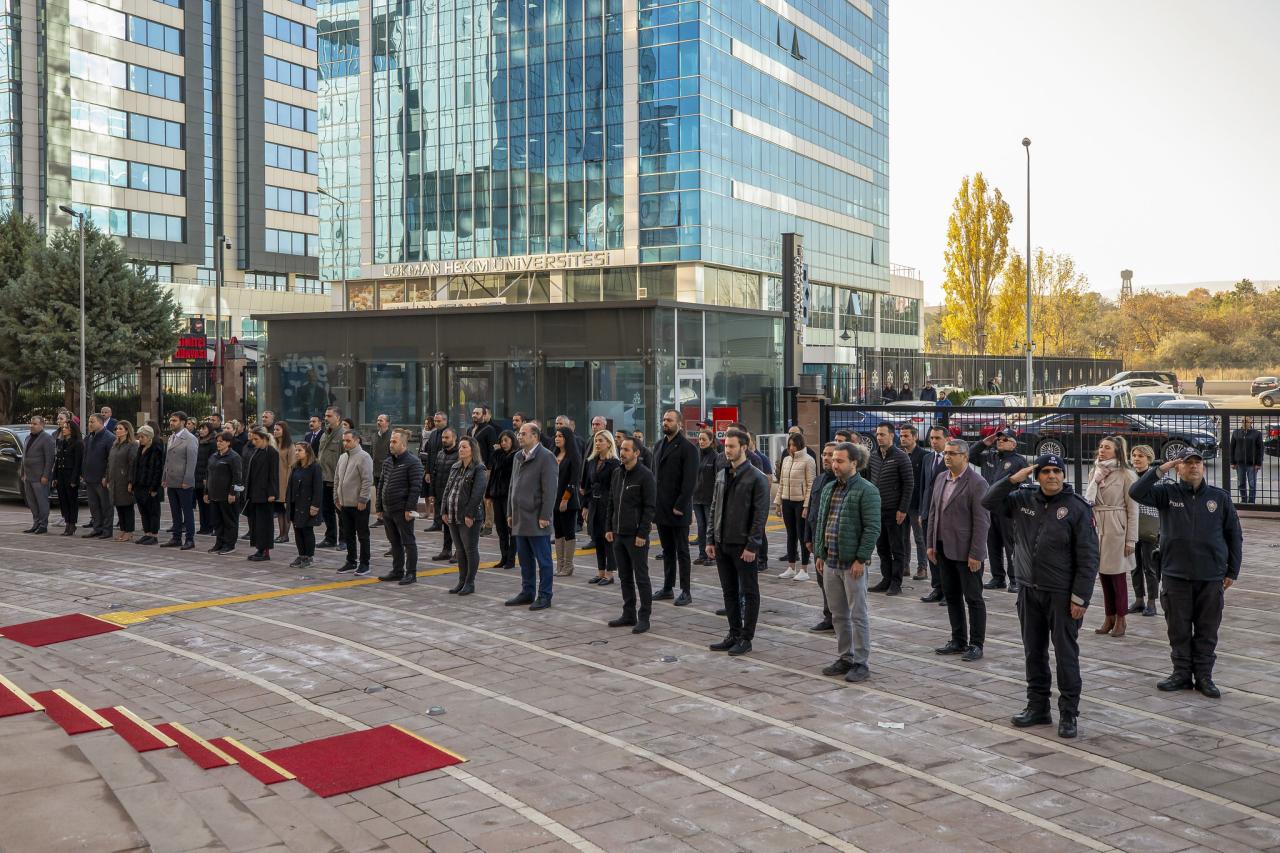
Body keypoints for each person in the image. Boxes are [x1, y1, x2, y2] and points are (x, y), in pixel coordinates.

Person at [983, 453, 1099, 739]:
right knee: (1033, 652)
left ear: (1063, 474)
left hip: (1062, 595)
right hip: (1028, 589)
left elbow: (1088, 557)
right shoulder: (1023, 500)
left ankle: (1069, 713)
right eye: (1045, 471)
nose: (1051, 476)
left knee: (1065, 655)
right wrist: (1013, 479)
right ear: (1036, 475)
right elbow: (988, 501)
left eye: (1056, 471)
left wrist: (1080, 597)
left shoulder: (1077, 508)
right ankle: (1038, 707)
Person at [1131, 448, 1242, 699]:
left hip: (1210, 576)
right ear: (1178, 468)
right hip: (1175, 575)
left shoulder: (1219, 498)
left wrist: (1232, 571)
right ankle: (1181, 673)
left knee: (1207, 629)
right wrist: (1161, 469)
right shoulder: (1166, 493)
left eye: (1197, 463)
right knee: (1178, 629)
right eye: (1187, 463)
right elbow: (1136, 492)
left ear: (1203, 467)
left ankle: (1204, 676)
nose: (1193, 467)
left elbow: (1234, 536)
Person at [812, 442, 881, 683]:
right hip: (831, 562)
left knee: (858, 614)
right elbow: (822, 522)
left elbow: (872, 528)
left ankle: (861, 662)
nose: (834, 464)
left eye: (840, 461)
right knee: (838, 614)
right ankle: (845, 657)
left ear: (854, 463)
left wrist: (861, 558)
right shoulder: (830, 488)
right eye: (833, 460)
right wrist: (820, 553)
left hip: (852, 564)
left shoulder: (867, 490)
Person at [706, 429, 770, 657]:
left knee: (750, 592)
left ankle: (746, 637)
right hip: (722, 542)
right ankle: (733, 633)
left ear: (744, 447)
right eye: (725, 446)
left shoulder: (756, 477)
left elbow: (759, 515)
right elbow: (714, 507)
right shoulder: (723, 473)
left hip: (744, 545)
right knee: (729, 591)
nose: (728, 450)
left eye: (732, 446)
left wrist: (753, 545)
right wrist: (710, 539)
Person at [927, 440, 991, 662]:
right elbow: (934, 512)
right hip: (943, 548)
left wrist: (976, 554)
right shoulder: (940, 478)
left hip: (966, 552)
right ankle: (958, 639)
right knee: (952, 596)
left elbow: (982, 522)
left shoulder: (977, 483)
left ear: (965, 457)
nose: (947, 457)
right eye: (946, 453)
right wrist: (931, 544)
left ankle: (976, 644)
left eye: (953, 453)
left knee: (973, 598)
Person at [1086, 436, 1139, 639]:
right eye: (1100, 447)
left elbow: (1133, 509)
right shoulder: (1095, 472)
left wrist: (1130, 539)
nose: (1102, 450)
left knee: (1117, 576)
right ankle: (1108, 616)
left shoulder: (1127, 475)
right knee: (1103, 575)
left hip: (1117, 527)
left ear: (1117, 451)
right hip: (1098, 526)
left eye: (1107, 448)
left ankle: (1121, 618)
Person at [605, 436, 657, 633]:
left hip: (636, 535)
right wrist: (609, 528)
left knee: (641, 577)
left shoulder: (645, 475)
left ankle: (644, 617)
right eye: (622, 449)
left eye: (627, 449)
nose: (623, 452)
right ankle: (628, 613)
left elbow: (649, 507)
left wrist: (643, 532)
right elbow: (611, 501)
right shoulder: (617, 473)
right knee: (625, 576)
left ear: (636, 453)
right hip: (618, 533)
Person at [505, 422, 559, 610]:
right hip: (520, 518)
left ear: (535, 436)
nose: (519, 436)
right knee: (525, 559)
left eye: (523, 433)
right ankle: (527, 592)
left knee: (543, 560)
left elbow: (550, 490)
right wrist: (510, 512)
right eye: (519, 434)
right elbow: (513, 485)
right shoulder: (518, 457)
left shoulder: (546, 457)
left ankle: (545, 595)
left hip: (537, 518)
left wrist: (545, 515)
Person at [970, 428, 1028, 592]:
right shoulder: (990, 456)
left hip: (1007, 509)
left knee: (1011, 545)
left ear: (1013, 443)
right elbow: (969, 455)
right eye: (998, 440)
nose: (999, 442)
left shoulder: (1018, 461)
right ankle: (998, 577)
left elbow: (1024, 485)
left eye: (1004, 440)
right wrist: (984, 443)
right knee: (992, 543)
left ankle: (1015, 579)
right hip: (989, 508)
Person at [652, 411, 699, 605]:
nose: (665, 423)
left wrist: (680, 505)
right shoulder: (658, 445)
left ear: (679, 424)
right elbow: (654, 476)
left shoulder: (688, 448)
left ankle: (686, 591)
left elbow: (690, 481)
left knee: (682, 551)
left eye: (669, 420)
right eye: (663, 420)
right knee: (667, 550)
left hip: (678, 509)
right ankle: (667, 587)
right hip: (661, 507)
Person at [867, 423, 913, 595]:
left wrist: (903, 509)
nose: (879, 437)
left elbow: (909, 484)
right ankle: (886, 579)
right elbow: (868, 480)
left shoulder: (901, 457)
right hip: (876, 511)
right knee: (882, 547)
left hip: (895, 511)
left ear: (891, 436)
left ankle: (896, 583)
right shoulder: (873, 456)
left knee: (897, 548)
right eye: (877, 434)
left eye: (883, 434)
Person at [377, 428, 425, 585]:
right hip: (388, 509)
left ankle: (411, 573)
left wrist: (409, 509)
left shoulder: (413, 462)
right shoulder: (388, 461)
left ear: (403, 443)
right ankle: (397, 571)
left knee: (408, 542)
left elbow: (416, 487)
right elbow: (381, 484)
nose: (391, 444)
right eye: (391, 441)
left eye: (394, 441)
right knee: (394, 542)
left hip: (402, 510)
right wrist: (379, 507)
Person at [442, 435, 489, 595]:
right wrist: (444, 511)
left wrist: (469, 514)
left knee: (470, 549)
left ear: (472, 450)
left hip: (470, 517)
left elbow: (477, 494)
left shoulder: (478, 468)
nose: (461, 450)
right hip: (453, 515)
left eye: (464, 447)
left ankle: (470, 582)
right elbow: (447, 490)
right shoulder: (456, 466)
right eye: (460, 447)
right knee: (460, 550)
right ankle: (461, 581)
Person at [804, 442, 837, 632]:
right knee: (821, 580)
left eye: (830, 455)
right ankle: (829, 616)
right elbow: (812, 510)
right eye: (824, 454)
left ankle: (838, 617)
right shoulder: (818, 480)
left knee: (834, 582)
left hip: (832, 541)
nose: (826, 458)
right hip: (817, 539)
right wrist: (808, 537)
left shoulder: (841, 483)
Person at [582, 430, 621, 585]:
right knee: (597, 538)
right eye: (596, 440)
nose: (597, 443)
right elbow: (587, 485)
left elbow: (615, 488)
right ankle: (600, 572)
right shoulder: (592, 461)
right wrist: (585, 505)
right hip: (594, 504)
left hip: (607, 505)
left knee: (607, 539)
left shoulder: (614, 464)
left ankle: (610, 574)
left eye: (601, 441)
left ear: (609, 443)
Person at [775, 432, 816, 581]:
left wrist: (806, 506)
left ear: (800, 445)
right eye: (789, 445)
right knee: (790, 535)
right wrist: (778, 502)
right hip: (787, 500)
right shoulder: (786, 460)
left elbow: (811, 484)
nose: (791, 448)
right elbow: (782, 482)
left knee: (802, 535)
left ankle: (804, 569)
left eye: (794, 445)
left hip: (800, 502)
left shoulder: (808, 460)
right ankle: (791, 567)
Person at [1127, 445, 1162, 618]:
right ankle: (1139, 599)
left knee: (1150, 566)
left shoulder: (1156, 478)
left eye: (1141, 456)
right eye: (1134, 455)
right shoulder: (1128, 476)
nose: (1136, 459)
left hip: (1149, 526)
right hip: (1131, 526)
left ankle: (1152, 602)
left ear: (1149, 459)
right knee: (1134, 566)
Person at [334, 428, 374, 575]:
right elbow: (337, 479)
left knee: (363, 535)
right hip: (344, 503)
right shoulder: (342, 457)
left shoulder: (364, 457)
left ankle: (365, 563)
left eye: (348, 440)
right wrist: (336, 497)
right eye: (344, 440)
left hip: (359, 504)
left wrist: (363, 499)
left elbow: (367, 480)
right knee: (348, 534)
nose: (345, 443)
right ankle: (351, 561)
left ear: (357, 441)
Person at [917, 426, 950, 604]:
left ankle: (948, 590)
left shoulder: (951, 458)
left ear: (947, 439)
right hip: (928, 513)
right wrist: (922, 512)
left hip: (944, 515)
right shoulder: (928, 458)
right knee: (931, 551)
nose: (934, 442)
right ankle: (937, 587)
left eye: (937, 438)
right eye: (931, 438)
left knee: (944, 553)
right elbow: (924, 486)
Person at [161, 412, 198, 550]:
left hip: (183, 481)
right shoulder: (171, 437)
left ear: (183, 422)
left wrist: (187, 480)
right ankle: (176, 537)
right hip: (172, 480)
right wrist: (164, 477)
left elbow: (191, 462)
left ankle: (189, 539)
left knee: (187, 511)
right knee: (174, 511)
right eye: (170, 420)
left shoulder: (190, 438)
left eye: (174, 420)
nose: (171, 423)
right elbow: (168, 459)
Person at [285, 441, 325, 569]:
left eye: (299, 450)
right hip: (296, 503)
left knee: (307, 530)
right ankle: (301, 555)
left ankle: (309, 556)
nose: (296, 453)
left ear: (307, 452)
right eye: (296, 450)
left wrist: (315, 506)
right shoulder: (296, 466)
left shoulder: (315, 467)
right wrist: (287, 501)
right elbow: (290, 486)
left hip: (307, 504)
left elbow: (318, 488)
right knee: (297, 530)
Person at [243, 427, 280, 562]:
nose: (254, 442)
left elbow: (274, 474)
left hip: (265, 494)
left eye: (256, 439)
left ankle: (265, 551)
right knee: (256, 523)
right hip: (254, 493)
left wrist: (272, 493)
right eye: (253, 439)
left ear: (264, 439)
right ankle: (259, 548)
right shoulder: (257, 451)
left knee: (264, 524)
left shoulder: (271, 452)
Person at [204, 431, 243, 555]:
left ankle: (229, 544)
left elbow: (237, 477)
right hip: (214, 494)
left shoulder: (234, 457)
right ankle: (219, 543)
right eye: (218, 441)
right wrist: (206, 492)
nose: (218, 443)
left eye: (221, 441)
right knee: (217, 520)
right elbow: (208, 474)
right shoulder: (213, 456)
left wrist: (232, 493)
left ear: (228, 443)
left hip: (227, 495)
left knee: (229, 521)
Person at [550, 426, 582, 576]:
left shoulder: (573, 456)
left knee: (568, 532)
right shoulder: (553, 455)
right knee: (558, 533)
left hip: (568, 501)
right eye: (556, 435)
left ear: (567, 438)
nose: (557, 438)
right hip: (554, 500)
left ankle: (568, 566)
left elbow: (573, 480)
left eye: (561, 436)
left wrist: (565, 499)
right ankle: (560, 565)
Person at [899, 425, 929, 581]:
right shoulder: (898, 454)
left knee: (919, 537)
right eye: (901, 435)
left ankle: (922, 567)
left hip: (917, 504)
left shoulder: (924, 456)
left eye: (906, 436)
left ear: (914, 437)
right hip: (902, 503)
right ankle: (905, 566)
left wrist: (924, 506)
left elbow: (926, 482)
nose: (903, 438)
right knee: (903, 537)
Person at [487, 430, 518, 569]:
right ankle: (503, 557)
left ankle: (511, 559)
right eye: (501, 441)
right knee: (500, 529)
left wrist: (497, 453)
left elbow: (504, 464)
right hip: (497, 495)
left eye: (506, 440)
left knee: (511, 529)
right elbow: (493, 474)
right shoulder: (497, 455)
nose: (503, 443)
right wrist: (488, 494)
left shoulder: (515, 455)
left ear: (512, 440)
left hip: (509, 496)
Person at [81, 414, 114, 539]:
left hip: (102, 479)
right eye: (89, 421)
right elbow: (85, 457)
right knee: (94, 506)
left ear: (100, 423)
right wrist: (83, 473)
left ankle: (107, 530)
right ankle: (97, 527)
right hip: (89, 477)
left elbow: (110, 460)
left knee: (106, 505)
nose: (89, 424)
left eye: (92, 422)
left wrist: (106, 476)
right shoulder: (89, 437)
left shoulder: (109, 438)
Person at [131, 424, 164, 545]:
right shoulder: (140, 448)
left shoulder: (156, 449)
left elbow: (158, 469)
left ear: (150, 437)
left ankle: (154, 535)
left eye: (143, 437)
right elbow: (136, 466)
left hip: (150, 486)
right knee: (143, 511)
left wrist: (154, 487)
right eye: (139, 437)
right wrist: (133, 482)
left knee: (153, 511)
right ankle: (147, 533)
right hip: (140, 485)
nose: (140, 439)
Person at [106, 420, 139, 542]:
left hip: (125, 480)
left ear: (127, 431)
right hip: (115, 480)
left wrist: (131, 481)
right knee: (119, 505)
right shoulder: (115, 444)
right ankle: (123, 529)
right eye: (116, 429)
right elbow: (109, 463)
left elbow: (132, 464)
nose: (117, 431)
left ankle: (129, 531)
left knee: (127, 506)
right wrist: (107, 477)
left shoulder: (132, 445)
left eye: (120, 429)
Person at [431, 428, 460, 561]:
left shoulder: (459, 455)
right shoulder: (440, 454)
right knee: (446, 524)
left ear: (454, 438)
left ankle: (459, 552)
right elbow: (435, 473)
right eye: (443, 437)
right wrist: (433, 493)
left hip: (454, 496)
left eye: (447, 438)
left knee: (456, 525)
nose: (444, 440)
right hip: (441, 494)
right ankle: (446, 550)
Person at [52, 419, 84, 536]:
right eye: (63, 427)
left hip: (70, 475)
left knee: (72, 500)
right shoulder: (61, 442)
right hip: (61, 475)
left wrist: (74, 479)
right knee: (63, 500)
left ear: (72, 430)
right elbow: (57, 460)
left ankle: (72, 523)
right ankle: (67, 522)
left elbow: (77, 463)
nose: (63, 429)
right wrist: (54, 477)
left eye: (66, 427)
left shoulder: (78, 443)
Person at [316, 407, 343, 548]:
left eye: (329, 416)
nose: (326, 418)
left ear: (337, 418)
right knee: (327, 511)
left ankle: (344, 540)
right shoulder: (325, 434)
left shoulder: (343, 435)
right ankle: (330, 538)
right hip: (324, 478)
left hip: (337, 479)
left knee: (341, 511)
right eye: (325, 415)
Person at [692, 429, 719, 566]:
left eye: (704, 439)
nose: (701, 442)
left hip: (709, 499)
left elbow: (718, 480)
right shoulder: (696, 455)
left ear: (711, 441)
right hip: (696, 498)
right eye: (700, 439)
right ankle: (702, 554)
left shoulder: (715, 457)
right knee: (701, 527)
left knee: (710, 528)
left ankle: (712, 556)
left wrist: (715, 498)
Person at [419, 412, 447, 531]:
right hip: (433, 470)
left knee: (444, 497)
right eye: (435, 421)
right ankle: (437, 523)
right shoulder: (433, 434)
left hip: (445, 470)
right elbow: (430, 454)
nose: (436, 423)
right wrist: (428, 472)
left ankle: (446, 522)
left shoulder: (449, 433)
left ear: (445, 421)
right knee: (434, 496)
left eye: (439, 421)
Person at [1229, 416, 1263, 504]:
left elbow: (1260, 449)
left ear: (1251, 422)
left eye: (1246, 421)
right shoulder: (1236, 433)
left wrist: (1258, 463)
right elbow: (1232, 448)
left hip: (1252, 463)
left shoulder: (1257, 433)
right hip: (1239, 463)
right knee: (1241, 483)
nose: (1244, 423)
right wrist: (1232, 462)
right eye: (1242, 421)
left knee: (1252, 484)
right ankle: (1243, 500)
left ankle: (1251, 502)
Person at [270, 422, 294, 544]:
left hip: (285, 481)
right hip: (275, 482)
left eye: (278, 429)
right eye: (274, 429)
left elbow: (291, 465)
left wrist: (289, 483)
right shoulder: (273, 444)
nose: (275, 431)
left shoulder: (289, 446)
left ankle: (285, 534)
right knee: (279, 510)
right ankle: (280, 533)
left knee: (286, 510)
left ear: (284, 430)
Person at [193, 423, 217, 537]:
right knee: (201, 504)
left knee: (207, 503)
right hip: (196, 476)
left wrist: (206, 477)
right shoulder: (197, 441)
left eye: (204, 428)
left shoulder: (212, 443)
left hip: (205, 477)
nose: (201, 430)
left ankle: (209, 526)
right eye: (200, 428)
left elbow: (211, 461)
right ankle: (203, 526)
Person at [370, 414, 392, 526]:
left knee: (386, 493)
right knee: (378, 493)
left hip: (388, 470)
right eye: (378, 420)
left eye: (381, 420)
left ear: (387, 423)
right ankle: (380, 517)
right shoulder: (374, 436)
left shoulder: (392, 436)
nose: (379, 422)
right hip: (376, 470)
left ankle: (388, 517)